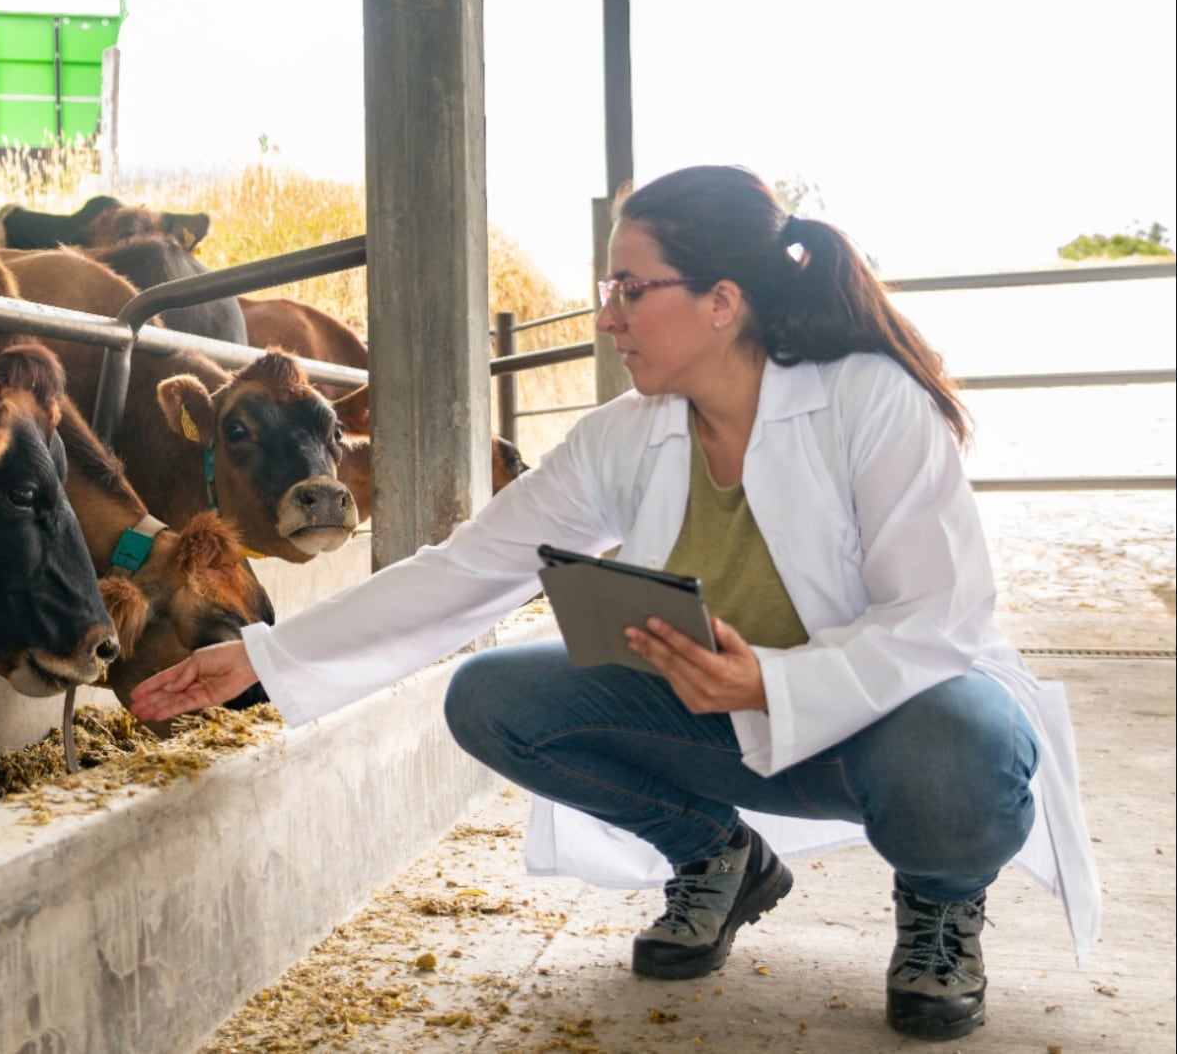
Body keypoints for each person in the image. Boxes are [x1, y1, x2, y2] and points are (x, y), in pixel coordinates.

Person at [131, 164, 1100, 1043]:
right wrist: (266, 653)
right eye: (608, 291)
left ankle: (938, 905)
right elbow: (465, 569)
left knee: (957, 739)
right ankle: (716, 858)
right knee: (492, 696)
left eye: (629, 290)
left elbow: (939, 621)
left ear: (721, 301)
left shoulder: (867, 403)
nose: (607, 316)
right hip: (717, 720)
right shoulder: (622, 437)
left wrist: (771, 677)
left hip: (888, 726)